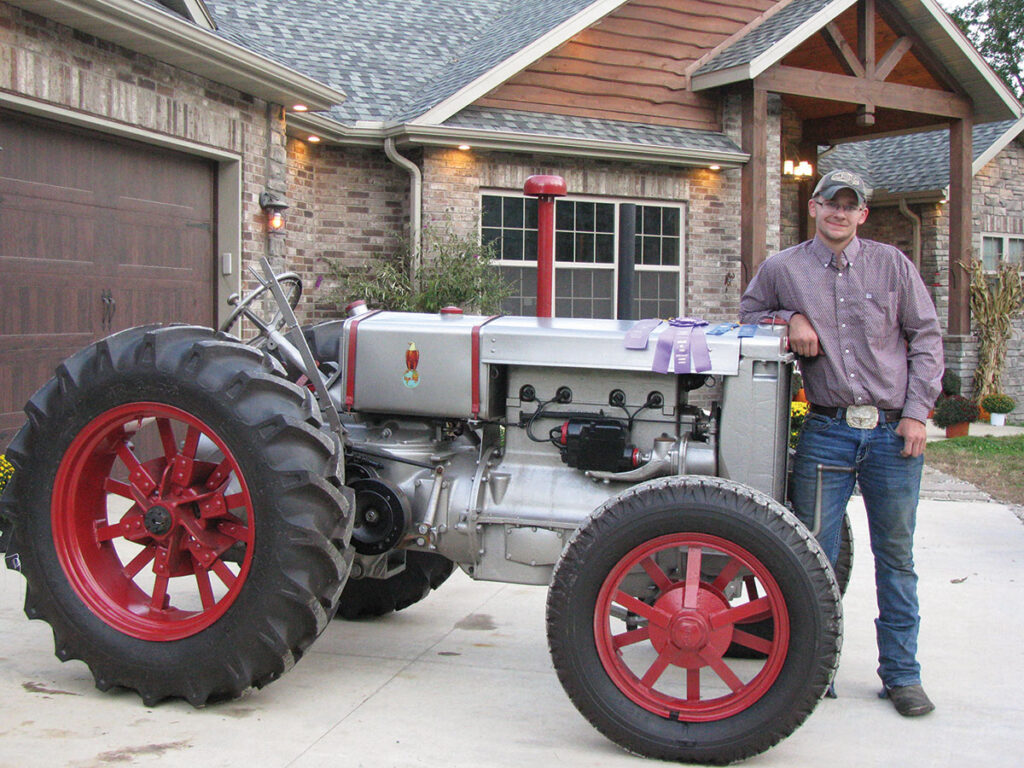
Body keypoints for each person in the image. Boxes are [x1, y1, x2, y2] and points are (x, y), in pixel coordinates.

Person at [740, 169, 944, 717]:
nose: (839, 212)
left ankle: (902, 675)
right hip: (826, 431)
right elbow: (748, 314)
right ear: (814, 206)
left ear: (862, 216)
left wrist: (918, 415)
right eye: (831, 201)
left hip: (892, 433)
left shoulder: (893, 266)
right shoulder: (784, 268)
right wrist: (791, 316)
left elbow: (926, 338)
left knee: (895, 558)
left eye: (849, 206)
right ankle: (814, 670)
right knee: (812, 557)